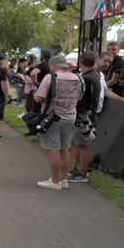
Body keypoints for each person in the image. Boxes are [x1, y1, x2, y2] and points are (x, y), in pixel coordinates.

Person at [34, 55, 83, 190]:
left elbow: (39, 98)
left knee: (53, 149)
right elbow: (79, 97)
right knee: (65, 148)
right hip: (71, 116)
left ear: (54, 65)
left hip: (52, 117)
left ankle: (55, 181)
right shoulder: (78, 78)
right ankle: (63, 179)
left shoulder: (51, 77)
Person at [68, 52, 101, 183]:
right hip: (87, 114)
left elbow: (81, 97)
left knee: (83, 145)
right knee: (78, 143)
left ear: (81, 62)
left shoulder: (87, 78)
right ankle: (78, 169)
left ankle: (82, 172)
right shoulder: (94, 76)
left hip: (83, 115)